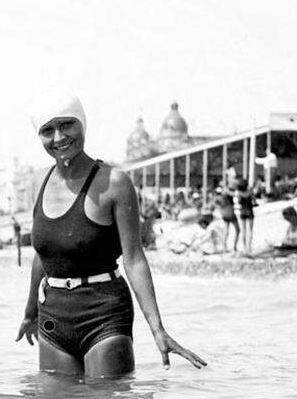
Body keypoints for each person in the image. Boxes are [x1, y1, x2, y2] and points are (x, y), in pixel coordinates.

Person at [16, 95, 205, 376]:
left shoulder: (114, 183)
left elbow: (134, 259)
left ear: (83, 124)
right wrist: (30, 313)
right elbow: (44, 255)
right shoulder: (37, 183)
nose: (58, 137)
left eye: (67, 124)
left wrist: (158, 329)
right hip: (53, 318)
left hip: (104, 314)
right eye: (47, 130)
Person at [214, 187, 239, 253]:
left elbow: (217, 206)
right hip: (230, 213)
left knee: (226, 231)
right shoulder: (225, 196)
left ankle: (225, 247)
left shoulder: (217, 198)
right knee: (237, 230)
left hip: (225, 214)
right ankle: (234, 247)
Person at [235, 178, 256, 254]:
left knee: (243, 230)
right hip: (249, 211)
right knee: (250, 230)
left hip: (242, 211)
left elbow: (238, 201)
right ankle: (249, 247)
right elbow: (254, 200)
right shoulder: (250, 192)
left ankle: (244, 247)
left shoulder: (239, 193)